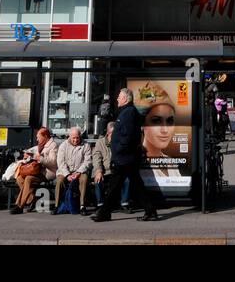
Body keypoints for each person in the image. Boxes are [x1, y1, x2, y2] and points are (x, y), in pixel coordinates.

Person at [92, 87, 158, 222]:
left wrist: (119, 150)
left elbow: (127, 136)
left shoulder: (128, 113)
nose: (117, 98)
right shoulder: (126, 112)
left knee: (116, 187)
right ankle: (150, 211)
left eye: (119, 97)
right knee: (125, 186)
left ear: (125, 99)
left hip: (125, 158)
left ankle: (105, 213)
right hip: (125, 158)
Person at [11, 126, 58, 214]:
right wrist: (27, 154)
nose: (37, 139)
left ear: (45, 137)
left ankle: (20, 206)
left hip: (48, 172)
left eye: (38, 137)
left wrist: (40, 158)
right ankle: (33, 199)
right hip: (38, 171)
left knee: (28, 179)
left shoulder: (53, 146)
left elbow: (53, 162)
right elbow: (33, 150)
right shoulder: (41, 145)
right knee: (19, 178)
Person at [92, 122, 130, 211]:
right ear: (108, 133)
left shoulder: (121, 142)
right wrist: (98, 171)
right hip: (105, 171)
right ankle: (100, 204)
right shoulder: (100, 143)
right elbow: (96, 158)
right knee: (98, 180)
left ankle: (124, 203)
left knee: (127, 179)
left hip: (118, 171)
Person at [55, 126, 90, 214]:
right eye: (73, 138)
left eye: (77, 137)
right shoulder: (63, 145)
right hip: (65, 171)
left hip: (80, 171)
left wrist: (78, 172)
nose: (75, 140)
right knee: (59, 180)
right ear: (69, 137)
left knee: (84, 179)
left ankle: (82, 206)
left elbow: (87, 162)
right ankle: (57, 205)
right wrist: (67, 175)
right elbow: (61, 162)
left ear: (80, 136)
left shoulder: (86, 145)